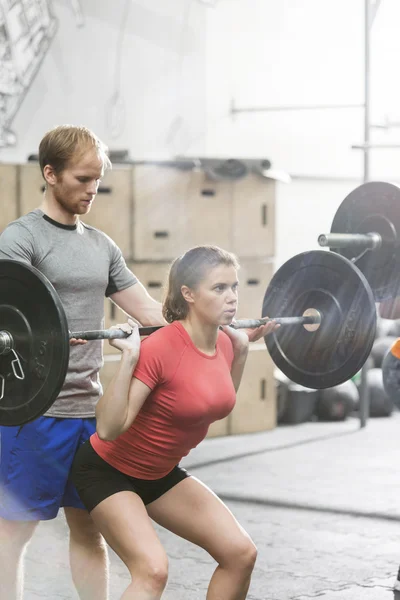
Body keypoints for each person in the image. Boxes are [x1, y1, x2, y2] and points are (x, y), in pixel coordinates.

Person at [0, 125, 168, 600]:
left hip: (88, 416)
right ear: (50, 174)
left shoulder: (102, 246)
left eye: (97, 179)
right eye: (82, 179)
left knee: (90, 528)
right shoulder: (21, 239)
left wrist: (203, 325)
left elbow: (150, 314)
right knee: (13, 533)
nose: (92, 189)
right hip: (33, 415)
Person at [71, 245, 277, 600]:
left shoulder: (227, 343)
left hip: (160, 474)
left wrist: (242, 350)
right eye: (219, 288)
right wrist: (131, 358)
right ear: (189, 294)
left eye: (235, 287)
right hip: (107, 471)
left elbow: (217, 400)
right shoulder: (162, 347)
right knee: (152, 571)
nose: (232, 298)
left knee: (240, 554)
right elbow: (107, 428)